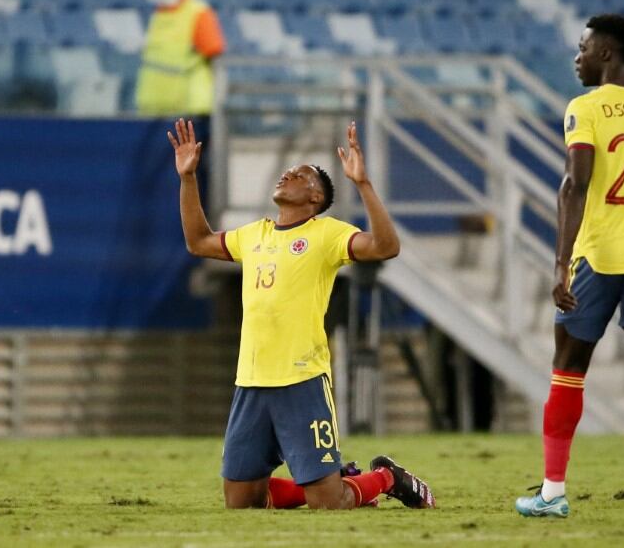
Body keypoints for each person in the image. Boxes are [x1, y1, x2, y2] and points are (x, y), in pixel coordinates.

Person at [167, 118, 436, 510]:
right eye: (289, 171)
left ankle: (385, 477)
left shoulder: (326, 234)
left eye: (301, 175)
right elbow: (198, 241)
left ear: (315, 199)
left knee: (327, 503)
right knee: (241, 503)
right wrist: (188, 178)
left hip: (302, 380)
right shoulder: (253, 234)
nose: (288, 174)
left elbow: (385, 246)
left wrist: (362, 184)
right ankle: (335, 477)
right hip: (252, 381)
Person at [514, 14, 624, 521]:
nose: (578, 56)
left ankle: (552, 492)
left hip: (598, 255)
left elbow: (576, 184)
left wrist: (560, 265)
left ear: (606, 53)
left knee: (568, 368)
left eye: (584, 47)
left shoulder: (586, 107)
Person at [136, 0, 225, 115]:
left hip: (189, 111)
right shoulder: (158, 15)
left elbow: (215, 55)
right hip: (154, 109)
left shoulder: (198, 12)